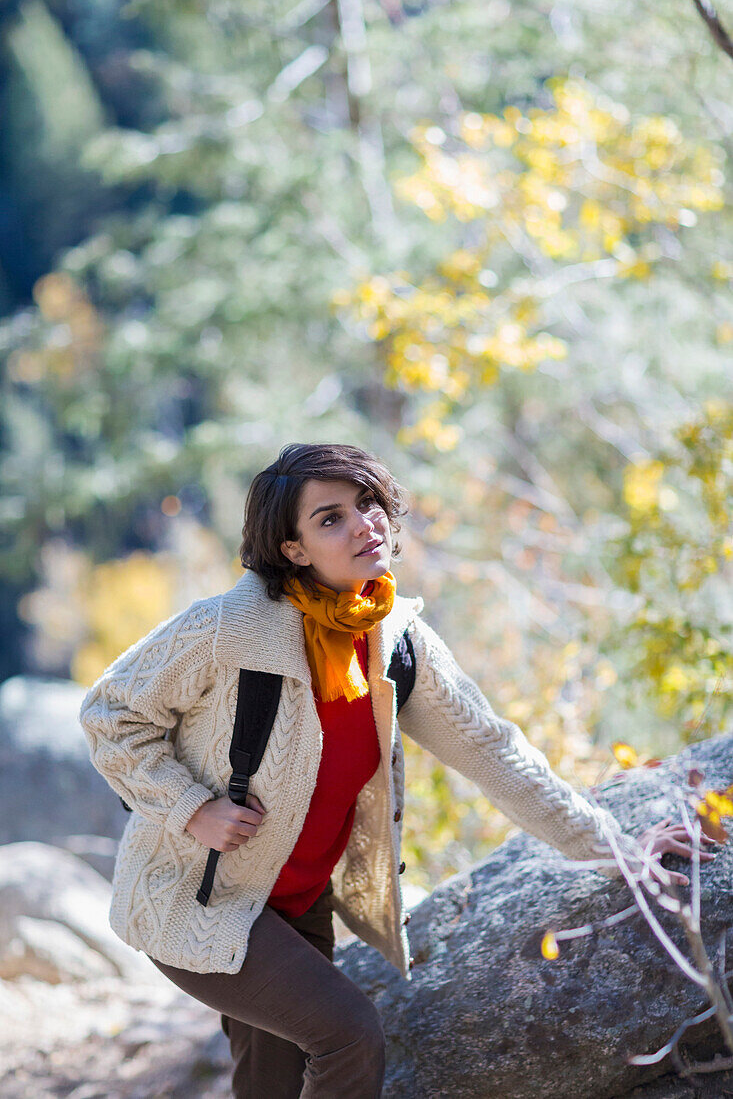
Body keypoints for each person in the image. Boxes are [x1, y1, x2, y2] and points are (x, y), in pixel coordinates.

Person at [78, 441, 714, 1098]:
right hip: (197, 897)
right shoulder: (224, 632)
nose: (363, 524)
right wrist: (191, 807)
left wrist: (615, 848)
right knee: (348, 1032)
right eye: (330, 518)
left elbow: (494, 753)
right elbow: (108, 713)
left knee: (271, 1084)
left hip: (296, 905)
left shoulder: (395, 639)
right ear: (291, 548)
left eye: (367, 504)